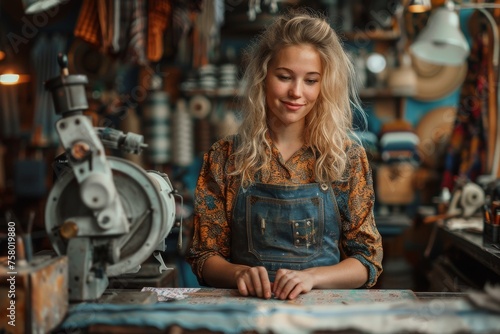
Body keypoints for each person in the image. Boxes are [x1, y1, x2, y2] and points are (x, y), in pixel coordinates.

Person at [186, 8, 383, 300]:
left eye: (311, 80)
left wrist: (312, 278)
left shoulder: (346, 157)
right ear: (263, 77)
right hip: (247, 313)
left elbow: (367, 260)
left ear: (324, 85)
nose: (296, 92)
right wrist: (238, 273)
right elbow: (205, 255)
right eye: (284, 76)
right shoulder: (225, 156)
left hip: (321, 315)